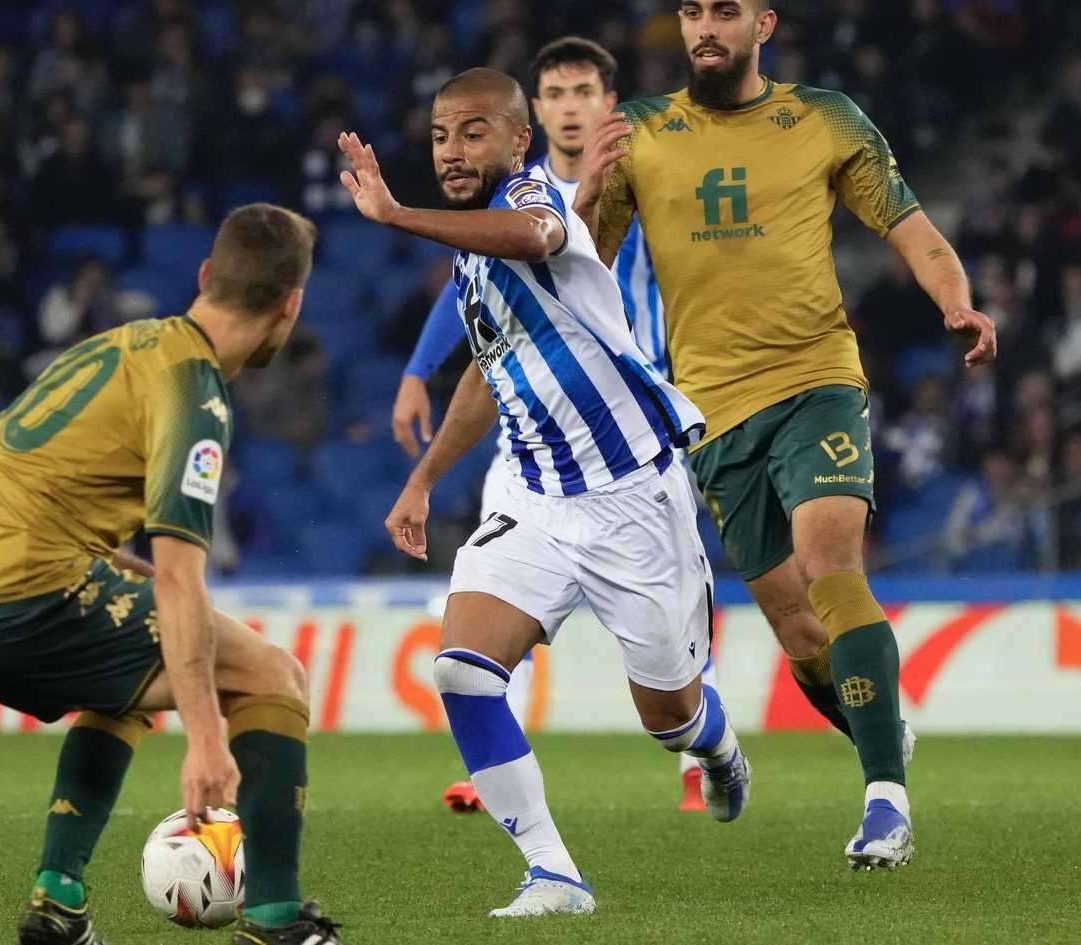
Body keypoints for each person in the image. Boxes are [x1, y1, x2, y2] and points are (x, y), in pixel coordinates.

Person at [576, 0, 997, 869]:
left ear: (762, 25)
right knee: (799, 631)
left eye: (724, 12)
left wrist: (956, 302)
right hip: (712, 413)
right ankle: (879, 724)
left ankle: (886, 801)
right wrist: (584, 197)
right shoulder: (638, 131)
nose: (705, 27)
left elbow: (913, 230)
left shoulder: (824, 119)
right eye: (691, 11)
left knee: (829, 564)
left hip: (816, 380)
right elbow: (581, 270)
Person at [338, 69, 750, 918]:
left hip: (632, 496)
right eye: (441, 136)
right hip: (536, 497)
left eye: (474, 132)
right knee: (462, 670)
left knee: (670, 718)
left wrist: (397, 214)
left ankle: (716, 747)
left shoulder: (531, 198)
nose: (453, 152)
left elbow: (538, 233)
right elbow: (487, 373)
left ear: (519, 140)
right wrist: (423, 478)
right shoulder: (473, 251)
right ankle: (554, 873)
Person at [0, 205, 345, 945]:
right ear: (290, 306)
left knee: (130, 681)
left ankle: (58, 899)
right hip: (19, 598)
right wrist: (205, 739)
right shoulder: (194, 393)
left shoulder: (120, 346)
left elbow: (22, 476)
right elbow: (178, 581)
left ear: (205, 276)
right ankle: (276, 921)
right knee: (274, 674)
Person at [391, 36, 720, 814]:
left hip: (629, 436)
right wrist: (417, 372)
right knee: (478, 634)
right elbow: (480, 311)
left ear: (608, 104)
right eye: (557, 92)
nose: (571, 106)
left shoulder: (637, 183)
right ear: (535, 112)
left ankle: (701, 745)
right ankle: (499, 756)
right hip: (529, 445)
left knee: (670, 663)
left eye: (584, 92)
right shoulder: (492, 207)